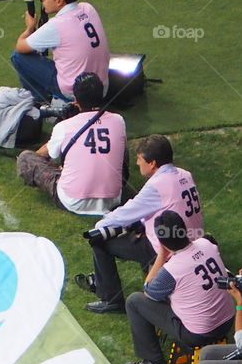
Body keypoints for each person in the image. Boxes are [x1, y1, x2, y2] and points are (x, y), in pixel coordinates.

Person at [75, 134, 204, 314]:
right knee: (138, 227)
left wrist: (101, 225)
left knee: (99, 243)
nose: (137, 163)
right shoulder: (185, 174)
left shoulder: (157, 185)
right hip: (193, 239)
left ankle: (110, 299)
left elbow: (126, 213)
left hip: (169, 245)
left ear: (152, 163)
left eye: (140, 159)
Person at [123, 211, 234, 364]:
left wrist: (161, 255)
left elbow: (148, 291)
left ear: (162, 242)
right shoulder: (207, 244)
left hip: (199, 333)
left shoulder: (171, 270)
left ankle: (154, 363)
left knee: (134, 301)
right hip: (228, 321)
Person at [15, 72, 127, 215]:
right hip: (113, 199)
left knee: (26, 158)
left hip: (73, 201)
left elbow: (45, 154)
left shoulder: (64, 127)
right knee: (120, 143)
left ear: (75, 100)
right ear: (102, 94)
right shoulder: (119, 121)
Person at [10, 0, 109, 106]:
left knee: (18, 57)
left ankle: (42, 102)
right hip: (101, 88)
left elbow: (21, 47)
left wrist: (29, 28)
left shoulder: (56, 25)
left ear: (59, 1)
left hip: (74, 93)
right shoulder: (88, 8)